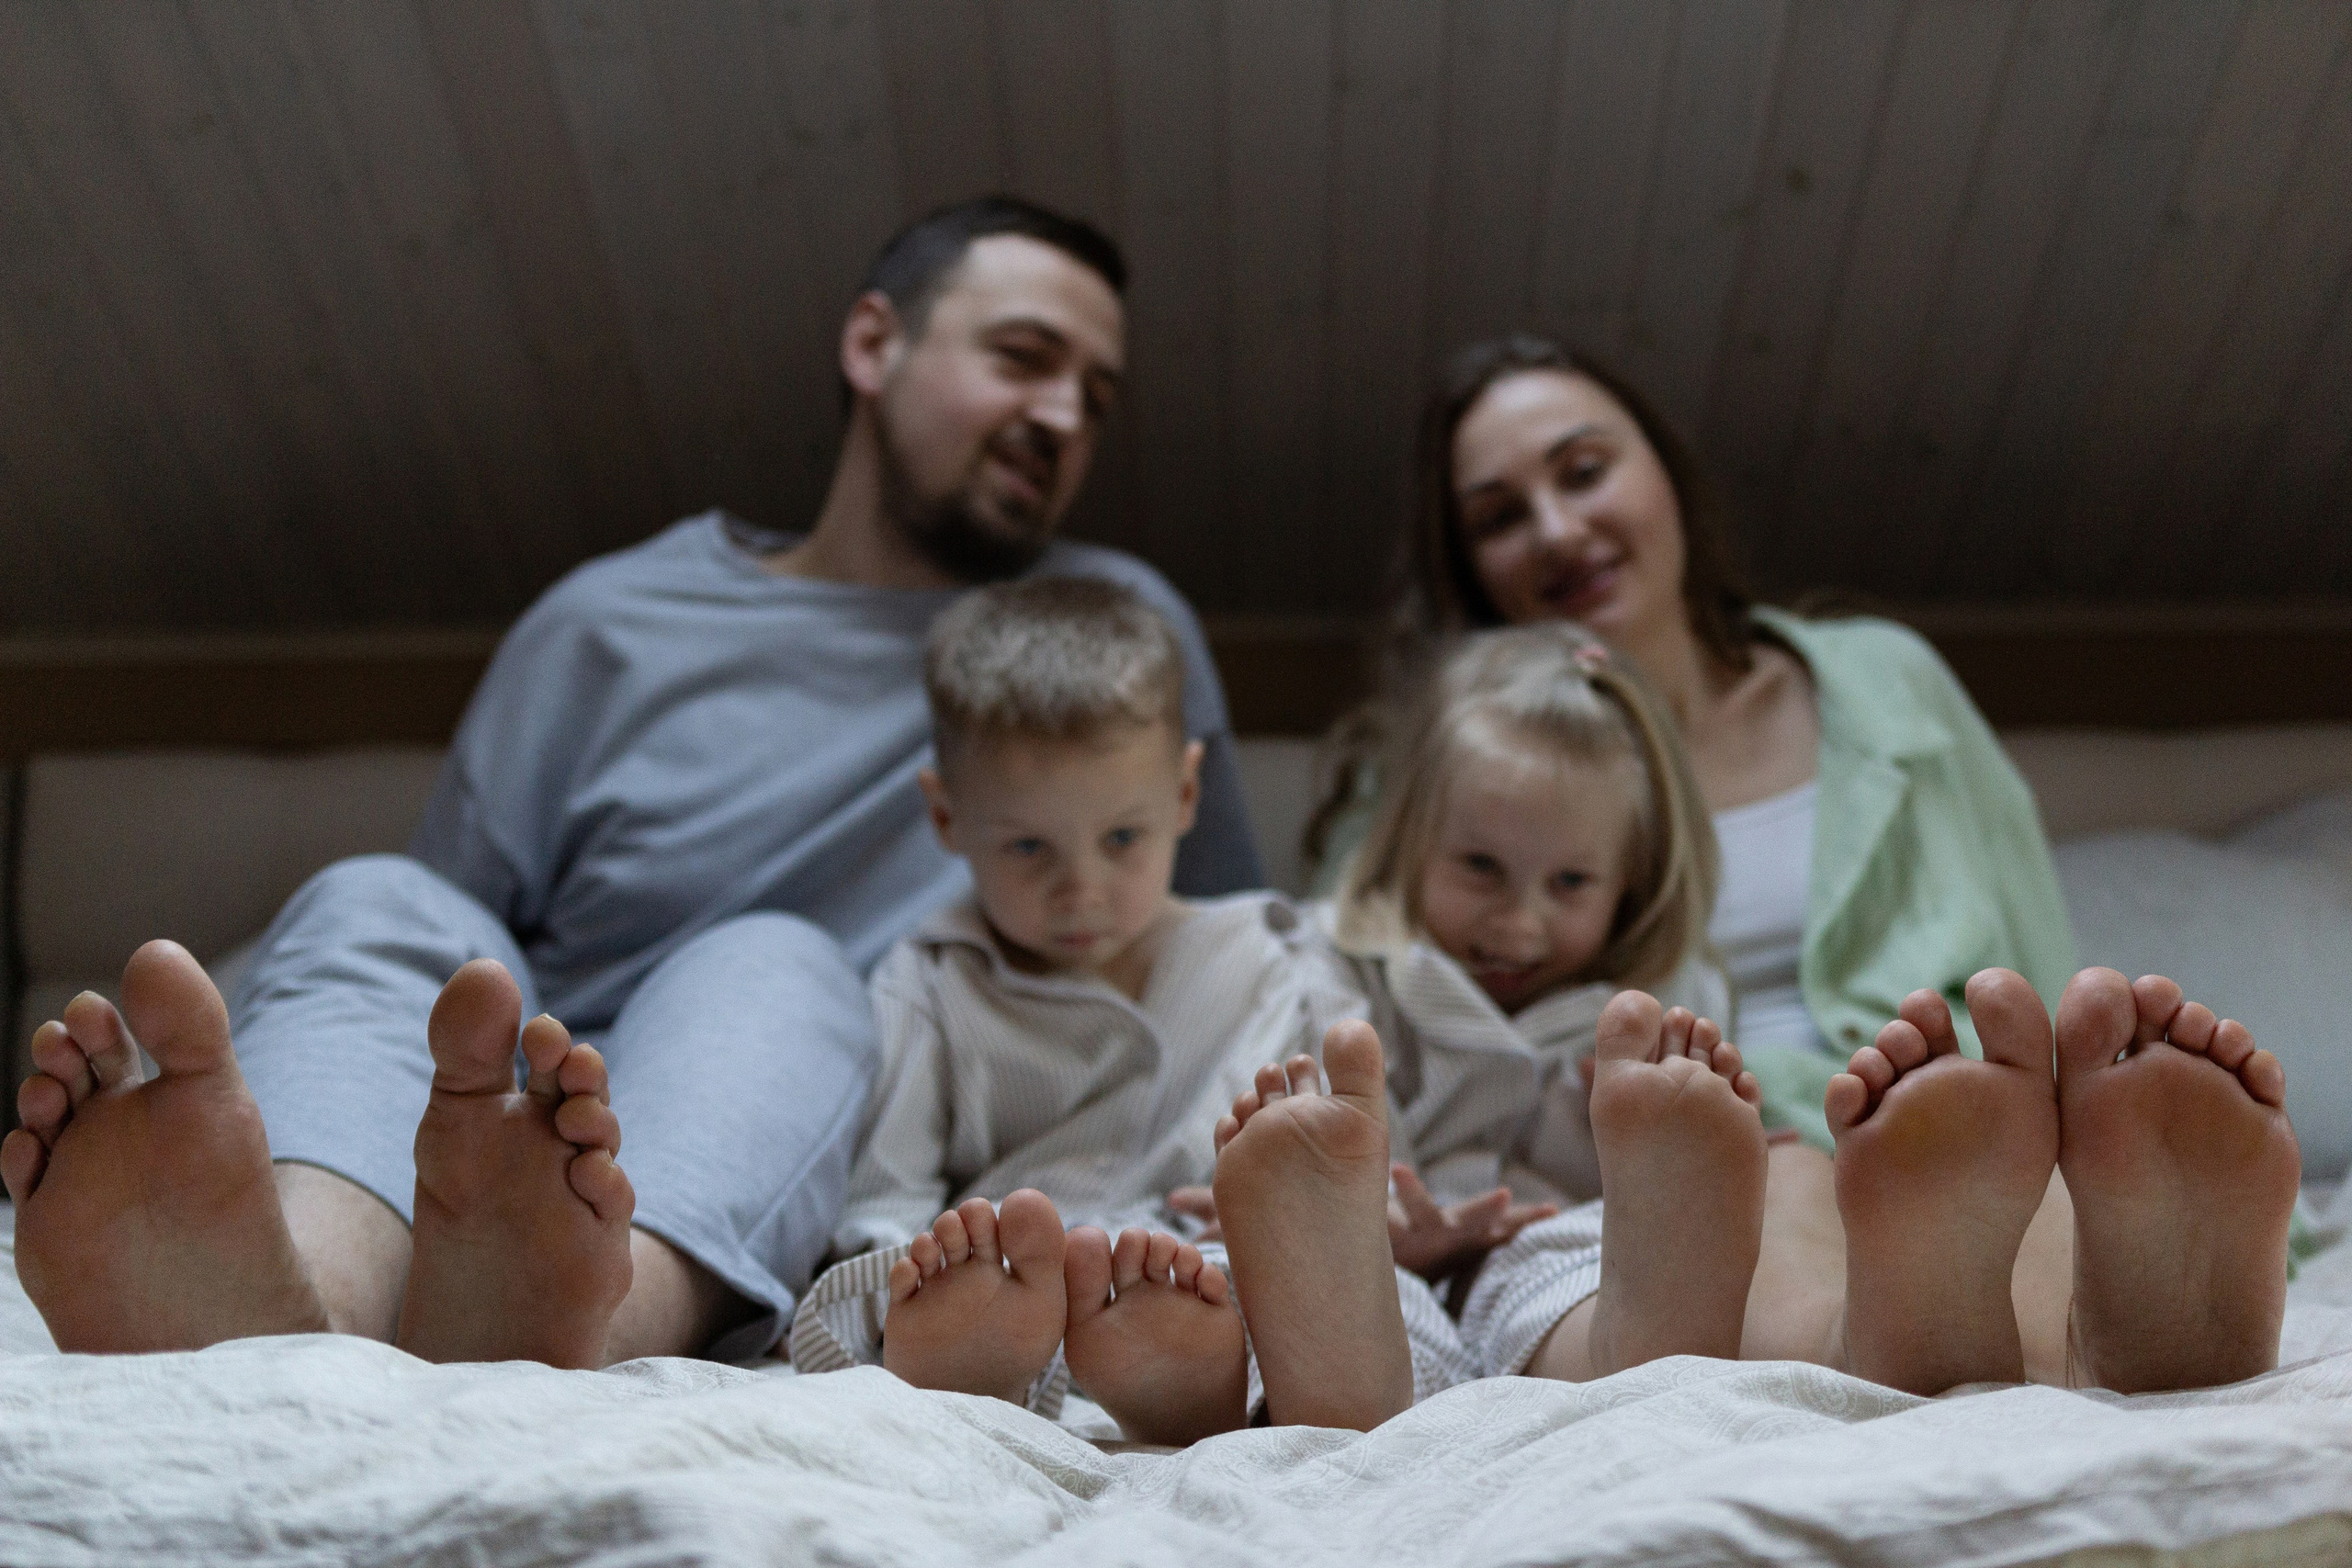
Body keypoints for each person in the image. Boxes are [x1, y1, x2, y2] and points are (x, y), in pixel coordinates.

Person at [1, 196, 1262, 1369]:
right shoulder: (607, 622)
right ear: (875, 343)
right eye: (1025, 356)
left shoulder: (1108, 640)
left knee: (778, 959)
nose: (1063, 416)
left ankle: (592, 1306)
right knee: (378, 896)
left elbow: (1234, 955)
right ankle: (301, 1299)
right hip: (517, 1101)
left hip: (750, 1112)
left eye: (1096, 395)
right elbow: (437, 983)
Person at [1308, 337, 2297, 1393]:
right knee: (1768, 1188)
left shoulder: (1884, 683)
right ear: (1471, 570)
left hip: (1954, 1102)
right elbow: (1353, 1011)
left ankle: (2133, 1303)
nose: (1557, 528)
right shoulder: (1423, 773)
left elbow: (2022, 938)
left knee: (1991, 1160)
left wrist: (2075, 1099)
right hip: (1695, 1138)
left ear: (1666, 477)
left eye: (1584, 469)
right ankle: (1964, 1335)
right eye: (1500, 516)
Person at [787, 577, 1450, 1440]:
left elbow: (1368, 1155)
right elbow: (885, 1191)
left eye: (1122, 839)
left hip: (1243, 1267)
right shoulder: (933, 979)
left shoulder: (1277, 956)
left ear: (1185, 794)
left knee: (1379, 1287)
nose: (1081, 889)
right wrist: (932, 1268)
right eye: (1028, 845)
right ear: (946, 814)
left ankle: (1260, 1371)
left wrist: (1389, 1213)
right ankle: (984, 1374)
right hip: (1035, 1286)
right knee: (932, 1294)